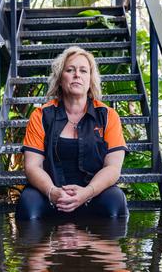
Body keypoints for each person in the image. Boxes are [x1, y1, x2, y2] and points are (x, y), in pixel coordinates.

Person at [16, 46, 129, 220]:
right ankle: (42, 247)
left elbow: (113, 168)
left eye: (83, 71)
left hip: (93, 195)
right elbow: (32, 166)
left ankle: (98, 246)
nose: (77, 74)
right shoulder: (41, 116)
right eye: (70, 70)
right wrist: (53, 192)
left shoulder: (108, 116)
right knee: (28, 204)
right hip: (50, 196)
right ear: (60, 79)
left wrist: (87, 193)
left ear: (90, 80)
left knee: (114, 202)